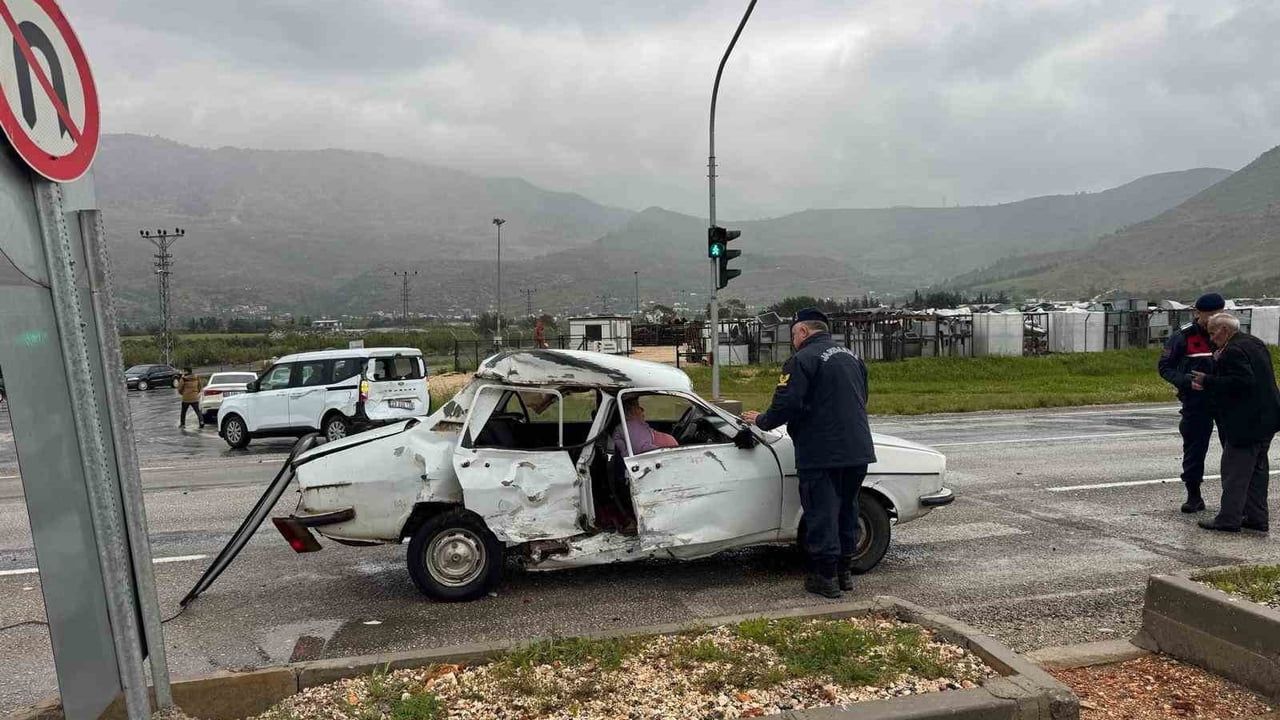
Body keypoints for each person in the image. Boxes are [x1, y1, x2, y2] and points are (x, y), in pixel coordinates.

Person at [743, 308, 876, 599]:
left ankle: (825, 578)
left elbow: (787, 404)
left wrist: (762, 420)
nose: (793, 341)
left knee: (822, 512)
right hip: (857, 449)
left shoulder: (802, 359)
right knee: (847, 509)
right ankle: (844, 572)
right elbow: (862, 398)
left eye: (793, 335)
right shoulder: (852, 357)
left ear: (802, 331)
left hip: (821, 451)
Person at [1190, 313, 1279, 533]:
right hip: (1267, 419)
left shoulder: (1233, 351)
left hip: (1246, 422)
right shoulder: (1254, 343)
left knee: (1235, 472)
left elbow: (1242, 382)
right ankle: (1257, 517)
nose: (1211, 339)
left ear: (1224, 330)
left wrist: (1207, 380)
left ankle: (1229, 519)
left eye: (1213, 333)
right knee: (1257, 472)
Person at [1158, 293, 1224, 513]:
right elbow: (1165, 367)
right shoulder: (1183, 337)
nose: (1213, 319)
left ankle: (1234, 498)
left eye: (1217, 314)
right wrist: (1186, 381)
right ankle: (1194, 496)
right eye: (1209, 315)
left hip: (1226, 400)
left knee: (1234, 448)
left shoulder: (1230, 335)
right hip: (1196, 401)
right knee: (1195, 448)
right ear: (1198, 313)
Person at [612, 396, 678, 457]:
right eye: (638, 407)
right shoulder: (630, 427)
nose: (642, 409)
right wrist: (666, 451)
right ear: (631, 411)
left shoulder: (633, 426)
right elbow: (642, 450)